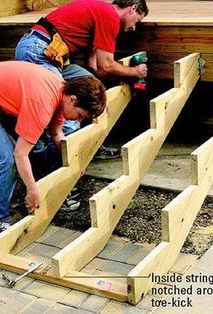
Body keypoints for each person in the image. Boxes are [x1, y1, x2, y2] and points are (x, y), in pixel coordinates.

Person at [15, 0, 149, 158]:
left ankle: (88, 146)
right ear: (132, 8)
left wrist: (118, 83)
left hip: (53, 56)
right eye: (137, 20)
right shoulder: (110, 15)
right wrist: (135, 72)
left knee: (92, 87)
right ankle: (57, 165)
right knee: (69, 107)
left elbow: (94, 66)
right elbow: (106, 65)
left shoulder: (101, 15)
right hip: (39, 51)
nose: (134, 27)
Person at [0, 61, 106, 232]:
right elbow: (20, 154)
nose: (77, 120)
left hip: (5, 102)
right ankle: (1, 219)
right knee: (7, 159)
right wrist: (32, 190)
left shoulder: (60, 92)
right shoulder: (43, 103)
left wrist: (72, 162)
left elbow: (57, 134)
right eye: (80, 115)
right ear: (73, 99)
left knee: (38, 146)